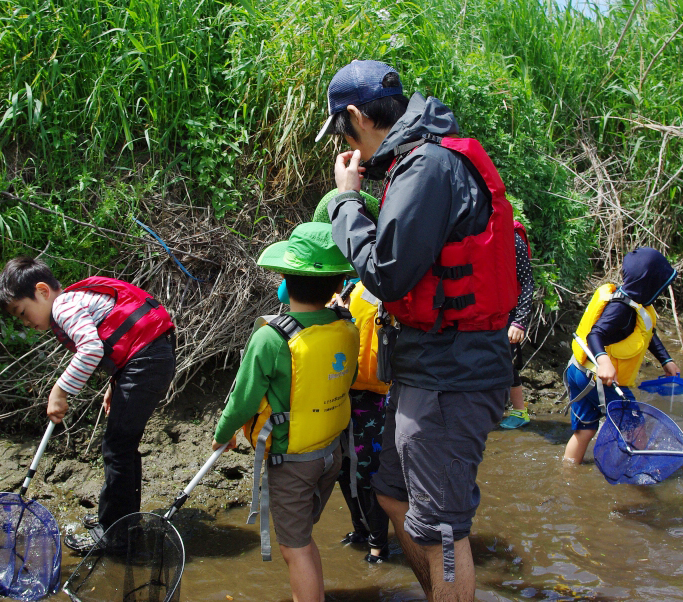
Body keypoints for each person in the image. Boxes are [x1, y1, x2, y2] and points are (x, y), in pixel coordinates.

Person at [317, 60, 518, 601]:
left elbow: (388, 274)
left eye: (341, 127)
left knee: (443, 531)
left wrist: (344, 202)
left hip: (451, 374)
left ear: (356, 117)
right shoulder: (420, 158)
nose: (344, 140)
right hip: (428, 365)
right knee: (393, 497)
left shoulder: (426, 166)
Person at [211, 222, 359, 602]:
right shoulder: (347, 324)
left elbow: (243, 399)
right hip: (332, 453)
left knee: (294, 548)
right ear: (337, 283)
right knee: (302, 538)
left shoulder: (271, 336)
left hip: (293, 460)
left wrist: (223, 434)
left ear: (284, 278)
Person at [0, 257, 176, 553]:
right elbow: (114, 340)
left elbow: (90, 348)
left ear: (42, 291)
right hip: (146, 361)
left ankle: (114, 532)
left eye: (23, 312)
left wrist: (60, 391)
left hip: (147, 361)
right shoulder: (74, 303)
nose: (26, 322)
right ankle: (121, 522)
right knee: (121, 446)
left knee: (117, 447)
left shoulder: (64, 305)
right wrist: (114, 382)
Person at [563, 247, 680, 464]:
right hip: (600, 379)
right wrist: (604, 361)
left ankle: (568, 474)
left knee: (585, 431)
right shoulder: (621, 309)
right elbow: (595, 335)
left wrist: (666, 360)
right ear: (649, 283)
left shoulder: (634, 305)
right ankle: (638, 476)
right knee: (636, 429)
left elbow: (647, 333)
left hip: (579, 370)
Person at [333, 279, 392, 563]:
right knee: (344, 468)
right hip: (343, 390)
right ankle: (360, 529)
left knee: (367, 471)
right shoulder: (351, 288)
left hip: (374, 396)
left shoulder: (396, 287)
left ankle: (379, 544)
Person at [500, 220, 535, 429]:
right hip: (488, 311)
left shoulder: (512, 240)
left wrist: (520, 322)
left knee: (506, 361)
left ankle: (520, 412)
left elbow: (527, 282)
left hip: (510, 313)